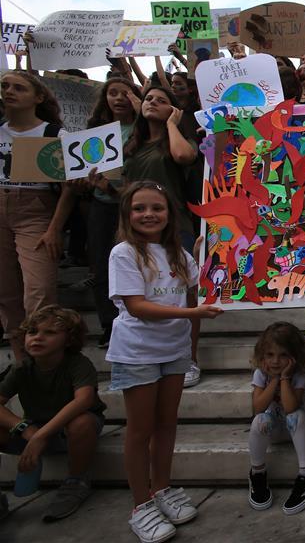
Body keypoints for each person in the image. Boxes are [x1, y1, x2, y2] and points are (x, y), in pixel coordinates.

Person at [105, 181, 222, 543]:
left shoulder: (180, 254)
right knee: (140, 430)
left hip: (174, 351)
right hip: (137, 352)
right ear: (127, 214)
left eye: (157, 207)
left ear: (170, 214)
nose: (149, 214)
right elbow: (137, 307)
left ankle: (162, 489)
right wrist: (191, 313)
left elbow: (202, 290)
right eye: (139, 208)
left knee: (167, 425)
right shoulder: (124, 253)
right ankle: (141, 505)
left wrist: (210, 255)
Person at [0, 305, 106, 522]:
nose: (38, 338)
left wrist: (40, 435)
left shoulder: (77, 364)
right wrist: (25, 428)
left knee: (82, 422)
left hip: (69, 433)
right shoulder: (21, 368)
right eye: (32, 332)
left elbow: (84, 400)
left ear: (68, 340)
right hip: (34, 431)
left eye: (49, 332)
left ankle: (76, 481)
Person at [0, 70, 76, 363]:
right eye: (5, 86)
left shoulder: (55, 135)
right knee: (6, 291)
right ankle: (23, 363)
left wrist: (55, 228)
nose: (9, 92)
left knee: (39, 289)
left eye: (19, 88)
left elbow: (69, 186)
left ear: (38, 97)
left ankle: (45, 361)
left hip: (35, 211)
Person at [83, 78, 144, 348]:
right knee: (101, 263)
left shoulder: (143, 129)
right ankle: (109, 325)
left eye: (125, 93)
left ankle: (137, 320)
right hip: (102, 206)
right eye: (113, 93)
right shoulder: (95, 132)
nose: (119, 98)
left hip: (134, 206)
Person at [247, 322, 305, 515]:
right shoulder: (261, 374)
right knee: (260, 420)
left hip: (297, 429)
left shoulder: (300, 375)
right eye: (270, 355)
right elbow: (258, 407)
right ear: (262, 355)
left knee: (295, 416)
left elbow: (290, 407)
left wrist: (284, 378)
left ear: (294, 356)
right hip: (273, 429)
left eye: (283, 355)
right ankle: (257, 473)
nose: (275, 361)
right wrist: (273, 380)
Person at [122, 87, 198, 250]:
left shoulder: (182, 141)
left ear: (174, 111)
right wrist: (104, 186)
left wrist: (171, 124)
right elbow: (126, 188)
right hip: (137, 226)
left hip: (174, 228)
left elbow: (183, 155)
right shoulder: (132, 146)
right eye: (148, 99)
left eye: (161, 101)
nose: (153, 102)